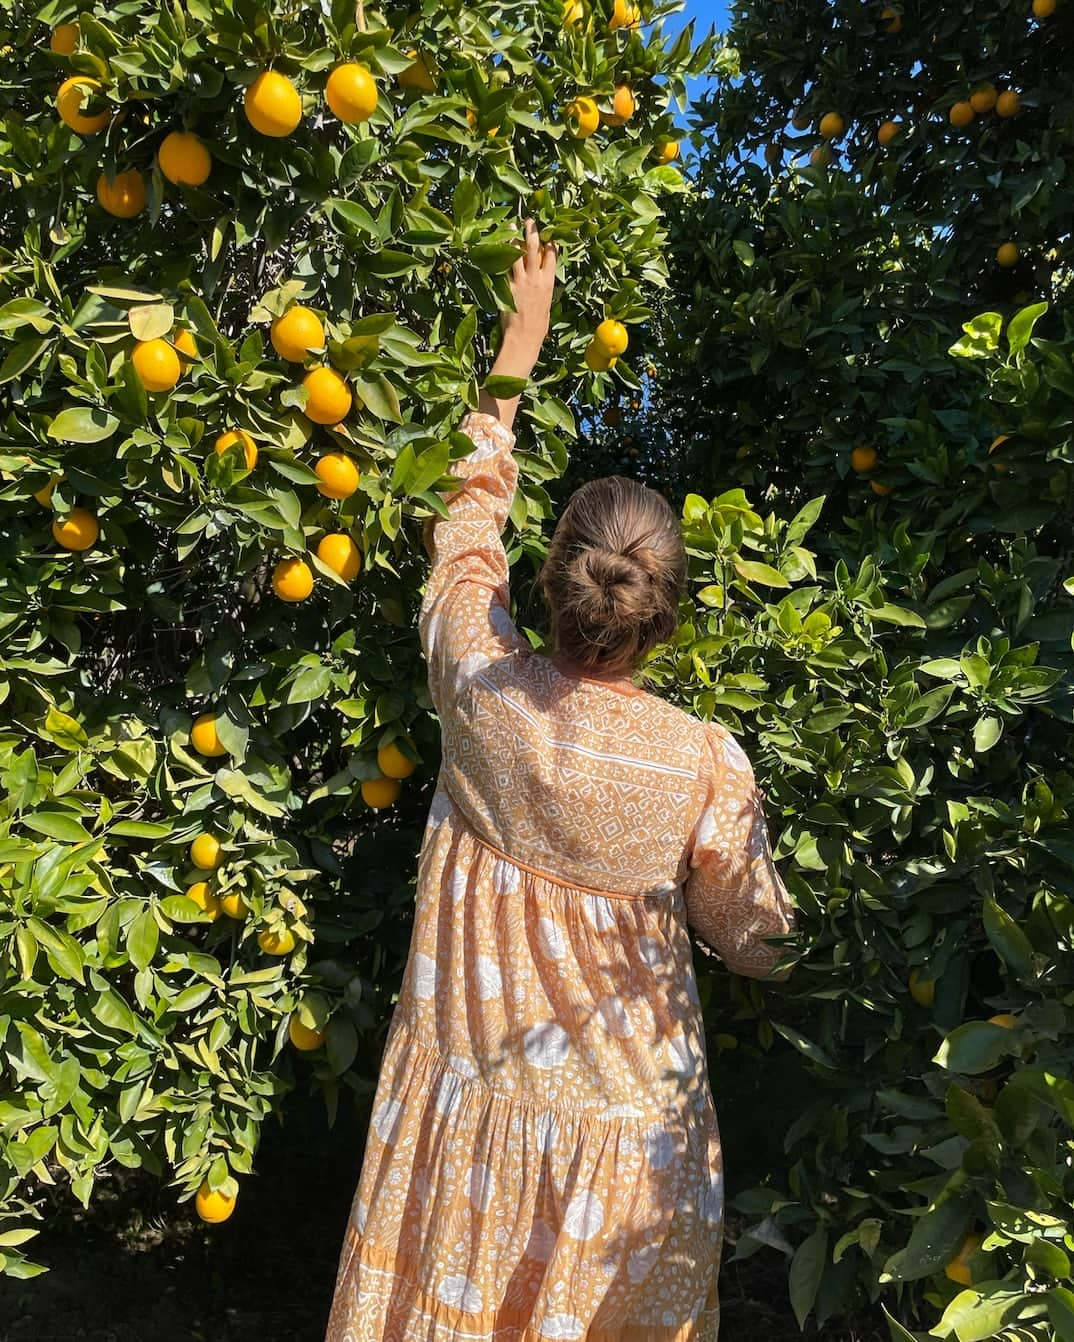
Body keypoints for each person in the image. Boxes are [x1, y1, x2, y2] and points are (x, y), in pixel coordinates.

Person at [325, 220, 795, 1342]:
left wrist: (517, 354)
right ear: (665, 613)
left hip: (473, 1124)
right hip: (634, 1146)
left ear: (551, 580)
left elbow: (464, 528)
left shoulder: (482, 697)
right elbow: (759, 942)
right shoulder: (698, 763)